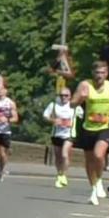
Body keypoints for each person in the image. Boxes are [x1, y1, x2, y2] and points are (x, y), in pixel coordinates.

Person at [78, 60, 109, 203]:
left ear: (107, 73)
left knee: (99, 155)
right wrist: (81, 98)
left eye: (103, 73)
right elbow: (73, 103)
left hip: (105, 126)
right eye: (97, 72)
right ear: (93, 73)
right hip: (88, 127)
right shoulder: (85, 85)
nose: (99, 75)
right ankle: (94, 188)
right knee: (89, 160)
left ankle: (98, 180)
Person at [45, 53, 81, 188]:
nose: (64, 97)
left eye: (66, 95)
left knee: (65, 154)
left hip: (69, 134)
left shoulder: (74, 105)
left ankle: (63, 174)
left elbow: (82, 116)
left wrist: (74, 122)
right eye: (62, 95)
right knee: (58, 156)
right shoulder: (55, 103)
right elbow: (46, 115)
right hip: (57, 133)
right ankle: (59, 174)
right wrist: (53, 121)